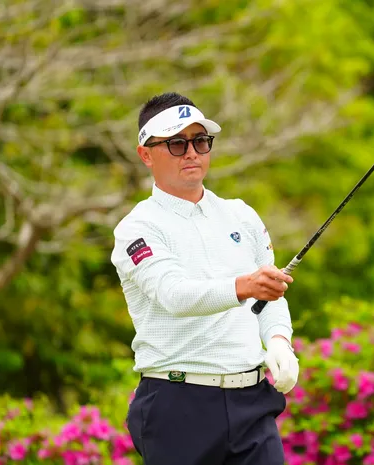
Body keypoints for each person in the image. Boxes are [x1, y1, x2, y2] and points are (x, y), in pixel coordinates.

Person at [110, 92, 299, 465]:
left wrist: (279, 340)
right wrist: (243, 286)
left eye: (200, 141)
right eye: (177, 144)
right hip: (177, 405)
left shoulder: (241, 215)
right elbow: (174, 294)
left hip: (251, 402)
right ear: (145, 154)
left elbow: (269, 295)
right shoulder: (137, 228)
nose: (192, 153)